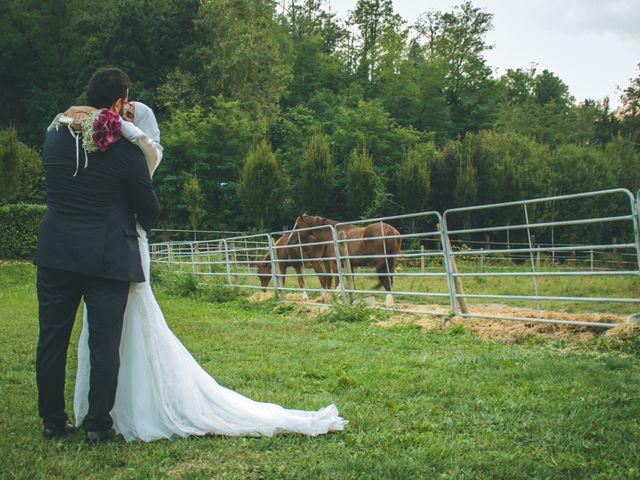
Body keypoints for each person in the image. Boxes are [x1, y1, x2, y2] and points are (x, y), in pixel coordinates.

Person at [62, 101, 347, 442]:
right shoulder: (109, 152)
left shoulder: (141, 153)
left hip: (127, 247)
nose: (122, 120)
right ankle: (103, 412)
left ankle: (130, 408)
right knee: (106, 334)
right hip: (107, 252)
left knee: (130, 326)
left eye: (129, 117)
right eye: (122, 114)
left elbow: (144, 172)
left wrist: (113, 124)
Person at [34, 68, 161, 443]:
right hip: (108, 257)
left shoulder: (53, 137)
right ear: (120, 101)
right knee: (104, 343)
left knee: (52, 338)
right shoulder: (126, 150)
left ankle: (53, 422)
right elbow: (150, 212)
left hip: (56, 251)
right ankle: (97, 425)